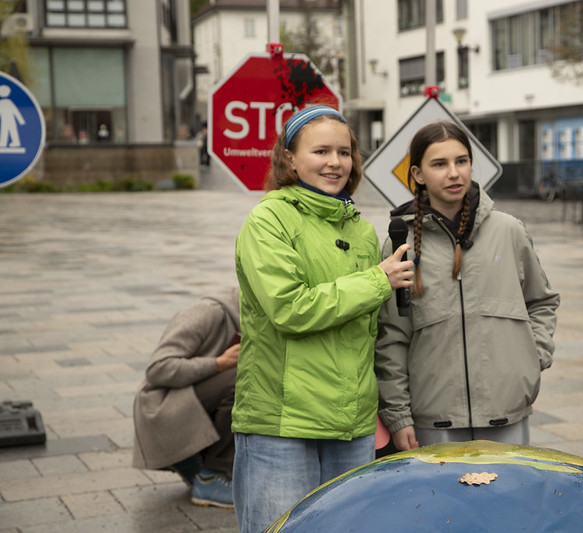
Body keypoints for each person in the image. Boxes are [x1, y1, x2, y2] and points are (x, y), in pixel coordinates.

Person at [232, 105, 414, 532]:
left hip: (351, 425)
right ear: (290, 158)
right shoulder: (268, 220)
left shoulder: (361, 230)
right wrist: (377, 280)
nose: (335, 162)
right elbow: (289, 309)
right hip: (282, 423)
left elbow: (372, 332)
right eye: (321, 151)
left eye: (344, 152)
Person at [375, 121, 560, 452]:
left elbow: (542, 302)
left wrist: (532, 358)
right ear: (417, 174)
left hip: (507, 414)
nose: (454, 173)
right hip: (432, 422)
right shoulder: (400, 244)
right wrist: (399, 415)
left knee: (509, 501)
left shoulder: (509, 231)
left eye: (461, 161)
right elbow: (391, 335)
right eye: (439, 164)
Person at [132, 287, 240, 509]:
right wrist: (218, 364)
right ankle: (211, 476)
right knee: (241, 380)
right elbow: (157, 368)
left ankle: (201, 466)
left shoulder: (252, 317)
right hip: (162, 407)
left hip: (190, 401)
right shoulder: (206, 312)